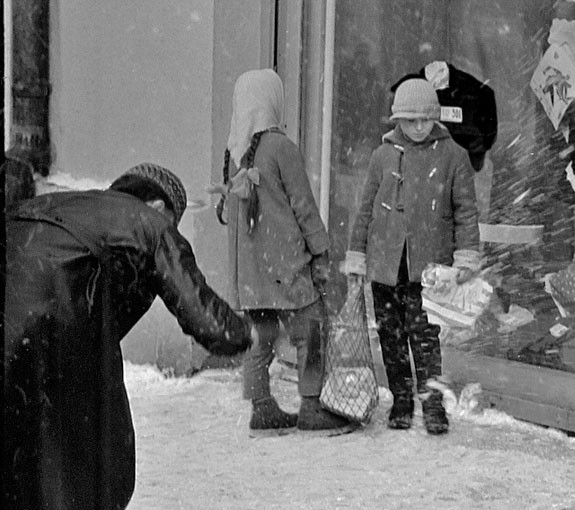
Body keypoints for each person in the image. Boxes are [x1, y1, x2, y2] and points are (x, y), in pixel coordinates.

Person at [4, 163, 257, 510]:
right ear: (156, 206)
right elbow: (209, 321)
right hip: (56, 344)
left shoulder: (62, 208)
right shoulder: (146, 222)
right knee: (93, 464)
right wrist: (247, 331)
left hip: (17, 336)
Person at [212, 68, 353, 434]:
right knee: (312, 331)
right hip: (286, 263)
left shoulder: (233, 151)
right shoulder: (281, 148)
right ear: (273, 101)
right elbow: (302, 205)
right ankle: (311, 406)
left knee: (262, 336)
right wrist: (320, 249)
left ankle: (261, 407)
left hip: (254, 271)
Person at [344, 77, 481, 434]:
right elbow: (365, 211)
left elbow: (466, 211)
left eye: (425, 119)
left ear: (435, 117)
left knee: (425, 339)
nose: (419, 127)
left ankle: (433, 407)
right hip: (386, 266)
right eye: (410, 120)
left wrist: (465, 256)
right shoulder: (382, 156)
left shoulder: (453, 156)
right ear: (397, 121)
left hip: (429, 268)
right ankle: (401, 401)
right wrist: (357, 255)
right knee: (390, 337)